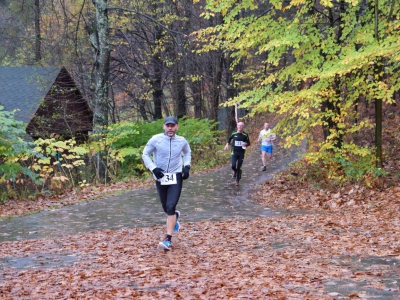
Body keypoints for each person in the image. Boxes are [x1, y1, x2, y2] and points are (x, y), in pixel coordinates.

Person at [142, 116, 191, 251]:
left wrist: (186, 166)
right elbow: (145, 154)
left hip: (176, 176)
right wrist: (153, 168)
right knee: (165, 207)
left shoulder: (181, 141)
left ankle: (167, 240)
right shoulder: (156, 139)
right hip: (161, 176)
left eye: (173, 126)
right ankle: (175, 216)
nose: (170, 128)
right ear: (164, 126)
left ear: (177, 127)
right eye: (168, 125)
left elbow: (187, 153)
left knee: (170, 206)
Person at [224, 121, 251, 186]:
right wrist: (227, 144)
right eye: (238, 126)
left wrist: (246, 144)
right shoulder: (234, 133)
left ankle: (237, 180)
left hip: (241, 152)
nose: (240, 127)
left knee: (239, 166)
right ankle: (235, 171)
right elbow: (229, 139)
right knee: (233, 165)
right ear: (237, 126)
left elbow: (249, 143)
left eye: (241, 126)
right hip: (234, 152)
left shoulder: (245, 134)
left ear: (243, 127)